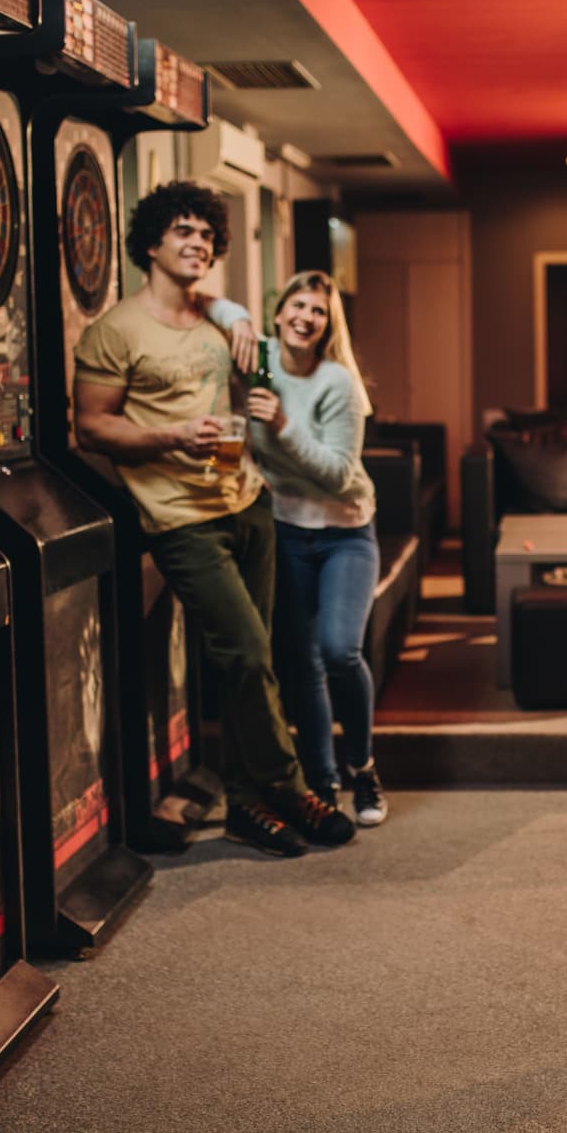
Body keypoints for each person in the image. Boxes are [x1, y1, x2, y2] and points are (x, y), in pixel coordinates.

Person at [72, 180, 355, 859]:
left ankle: (245, 808)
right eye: (183, 231)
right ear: (151, 243)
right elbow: (90, 427)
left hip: (245, 503)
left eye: (206, 234)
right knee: (249, 652)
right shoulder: (115, 330)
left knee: (245, 663)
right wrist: (174, 436)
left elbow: (247, 381)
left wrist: (235, 319)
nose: (197, 242)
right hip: (179, 518)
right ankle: (287, 786)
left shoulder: (216, 321)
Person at [245, 270, 389, 827]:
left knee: (337, 650)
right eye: (297, 306)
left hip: (344, 530)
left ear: (329, 327)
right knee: (298, 663)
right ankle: (322, 781)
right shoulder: (256, 360)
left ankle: (363, 767)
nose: (306, 317)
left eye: (319, 312)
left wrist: (282, 426)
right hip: (283, 530)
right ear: (278, 312)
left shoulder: (338, 383)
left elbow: (337, 474)